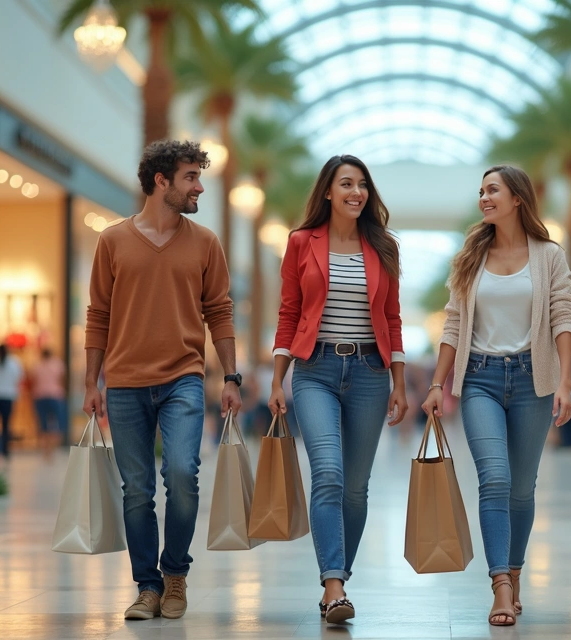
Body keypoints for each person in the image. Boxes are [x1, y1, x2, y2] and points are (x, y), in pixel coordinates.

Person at [84, 139, 241, 621]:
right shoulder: (112, 240)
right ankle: (147, 586)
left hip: (184, 378)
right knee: (137, 489)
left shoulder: (205, 242)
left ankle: (175, 574)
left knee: (181, 475)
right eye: (191, 177)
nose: (198, 187)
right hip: (126, 381)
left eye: (199, 177)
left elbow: (219, 311)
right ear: (161, 181)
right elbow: (98, 315)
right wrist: (92, 382)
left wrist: (231, 376)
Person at [422, 165, 571, 627]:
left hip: (533, 379)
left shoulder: (549, 256)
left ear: (517, 199)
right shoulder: (471, 257)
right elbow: (453, 323)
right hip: (480, 380)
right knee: (495, 479)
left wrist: (565, 381)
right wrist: (437, 383)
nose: (484, 198)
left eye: (493, 190)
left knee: (522, 488)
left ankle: (515, 569)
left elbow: (563, 316)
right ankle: (500, 586)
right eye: (481, 191)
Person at [268, 155, 409, 625]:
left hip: (370, 371)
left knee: (355, 487)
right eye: (346, 183)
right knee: (327, 471)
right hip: (315, 371)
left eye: (363, 184)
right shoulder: (301, 242)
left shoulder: (383, 245)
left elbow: (391, 317)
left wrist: (399, 382)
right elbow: (289, 313)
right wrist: (276, 377)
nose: (356, 192)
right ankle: (333, 587)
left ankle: (340, 575)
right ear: (327, 192)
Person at [30, 347, 67, 459]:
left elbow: (33, 381)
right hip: (56, 395)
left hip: (40, 395)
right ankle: (53, 448)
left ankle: (46, 449)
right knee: (58, 422)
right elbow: (62, 379)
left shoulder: (37, 365)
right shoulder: (58, 364)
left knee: (43, 423)